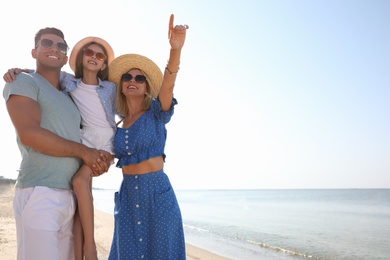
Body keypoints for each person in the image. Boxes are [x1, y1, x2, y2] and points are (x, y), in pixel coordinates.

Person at [4, 36, 117, 260]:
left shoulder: (68, 93)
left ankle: (87, 247)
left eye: (60, 46)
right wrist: (87, 153)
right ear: (34, 51)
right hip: (40, 191)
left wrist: (103, 156)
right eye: (47, 43)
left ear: (65, 58)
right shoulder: (25, 81)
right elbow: (29, 134)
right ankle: (91, 249)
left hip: (70, 198)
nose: (54, 48)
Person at [107, 14, 188, 260]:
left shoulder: (156, 112)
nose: (133, 81)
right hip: (128, 196)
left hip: (158, 194)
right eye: (127, 77)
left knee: (163, 253)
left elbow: (169, 87)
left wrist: (175, 51)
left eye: (139, 78)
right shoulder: (117, 127)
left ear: (145, 86)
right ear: (121, 85)